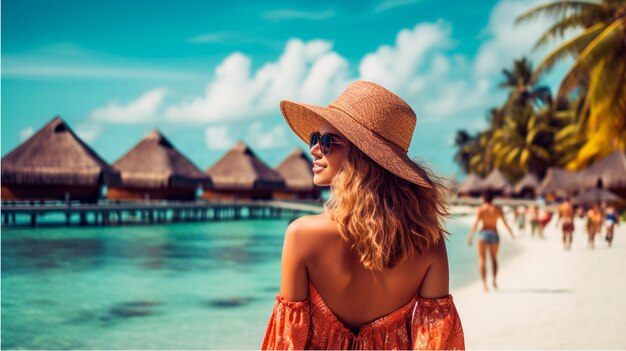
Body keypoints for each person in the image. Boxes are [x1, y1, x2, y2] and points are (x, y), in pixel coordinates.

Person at [261, 81, 464, 350]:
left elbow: (287, 342)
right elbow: (438, 342)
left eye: (326, 142)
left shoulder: (302, 235)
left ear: (363, 154)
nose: (313, 149)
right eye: (314, 139)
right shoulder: (427, 240)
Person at [466, 192, 515, 292]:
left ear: (484, 199)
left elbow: (476, 224)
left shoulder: (481, 209)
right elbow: (505, 223)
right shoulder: (497, 209)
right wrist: (511, 233)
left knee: (482, 259)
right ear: (492, 199)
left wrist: (470, 237)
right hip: (494, 234)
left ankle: (484, 284)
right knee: (494, 259)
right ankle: (494, 280)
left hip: (483, 234)